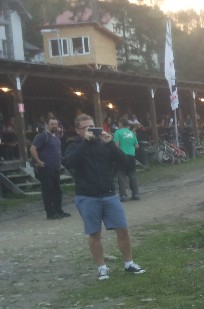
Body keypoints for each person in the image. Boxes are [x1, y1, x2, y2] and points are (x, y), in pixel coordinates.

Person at [63, 114, 145, 281]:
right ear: (78, 130)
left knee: (122, 229)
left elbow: (124, 162)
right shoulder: (74, 146)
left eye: (92, 126)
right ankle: (102, 268)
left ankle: (129, 263)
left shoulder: (104, 144)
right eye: (86, 127)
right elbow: (68, 163)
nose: (90, 130)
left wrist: (111, 144)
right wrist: (85, 142)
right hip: (87, 196)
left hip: (109, 194)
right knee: (94, 233)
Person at [30, 117, 70, 220]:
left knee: (57, 190)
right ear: (47, 125)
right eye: (52, 124)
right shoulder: (42, 136)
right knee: (47, 191)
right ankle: (50, 213)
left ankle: (59, 210)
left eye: (56, 124)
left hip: (56, 167)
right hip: (45, 168)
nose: (54, 126)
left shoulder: (57, 136)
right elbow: (32, 148)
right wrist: (38, 161)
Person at [113, 118, 140, 202]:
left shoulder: (117, 132)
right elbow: (137, 146)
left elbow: (116, 145)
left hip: (121, 156)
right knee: (132, 176)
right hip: (131, 156)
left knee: (121, 176)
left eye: (119, 122)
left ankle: (123, 196)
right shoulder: (131, 133)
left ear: (121, 123)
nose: (118, 124)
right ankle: (135, 194)